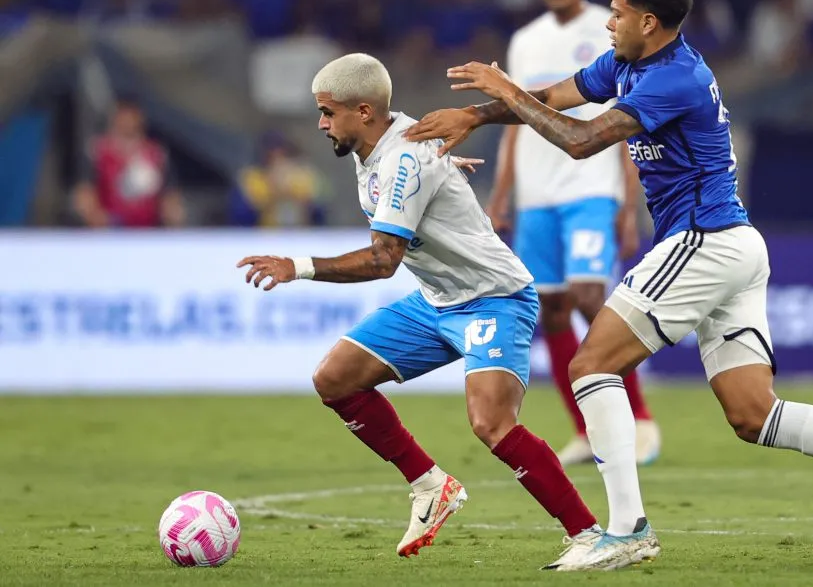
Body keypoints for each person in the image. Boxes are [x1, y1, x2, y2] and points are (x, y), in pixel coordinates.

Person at [406, 0, 813, 571]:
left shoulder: (676, 77)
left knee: (592, 364)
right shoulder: (629, 62)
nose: (606, 22)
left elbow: (582, 141)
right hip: (736, 244)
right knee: (753, 414)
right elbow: (557, 98)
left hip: (703, 239)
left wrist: (501, 88)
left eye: (615, 13)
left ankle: (626, 530)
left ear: (649, 21)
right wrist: (479, 115)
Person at [236, 53, 602, 569]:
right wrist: (445, 171)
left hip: (493, 297)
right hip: (437, 299)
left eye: (327, 112)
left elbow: (384, 260)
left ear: (363, 111)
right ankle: (432, 486)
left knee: (491, 424)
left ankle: (588, 534)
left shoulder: (402, 158)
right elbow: (418, 174)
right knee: (335, 379)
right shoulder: (384, 149)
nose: (321, 123)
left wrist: (296, 265)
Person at [489, 0, 660, 466]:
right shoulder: (524, 41)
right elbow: (515, 119)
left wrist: (628, 204)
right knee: (553, 310)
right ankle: (587, 431)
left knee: (590, 296)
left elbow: (626, 120)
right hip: (537, 195)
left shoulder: (609, 28)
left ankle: (639, 422)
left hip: (591, 187)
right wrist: (501, 195)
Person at [73, 98, 186, 228]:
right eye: (123, 117)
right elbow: (84, 193)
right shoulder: (97, 152)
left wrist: (173, 214)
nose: (127, 121)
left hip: (149, 230)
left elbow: (171, 195)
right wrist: (94, 216)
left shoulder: (156, 154)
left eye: (131, 117)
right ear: (115, 118)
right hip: (110, 227)